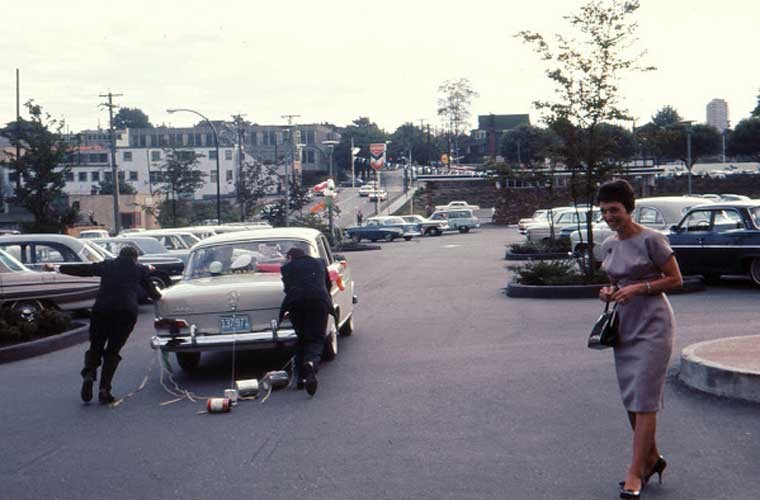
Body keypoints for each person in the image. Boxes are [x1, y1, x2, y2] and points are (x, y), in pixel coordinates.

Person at [597, 179, 683, 499]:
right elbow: (613, 282)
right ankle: (652, 459)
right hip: (625, 327)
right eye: (604, 210)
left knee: (644, 400)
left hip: (654, 326)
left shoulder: (653, 240)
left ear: (629, 208)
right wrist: (608, 291)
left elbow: (676, 279)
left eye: (615, 210)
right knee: (632, 399)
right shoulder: (608, 245)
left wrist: (638, 288)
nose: (609, 216)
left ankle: (635, 472)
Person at [53, 246, 162, 404]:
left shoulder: (108, 265)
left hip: (102, 311)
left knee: (96, 345)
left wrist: (59, 268)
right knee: (113, 350)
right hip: (126, 313)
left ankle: (89, 374)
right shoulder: (140, 270)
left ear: (119, 256)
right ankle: (105, 389)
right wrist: (159, 295)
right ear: (135, 257)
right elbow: (152, 293)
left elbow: (84, 269)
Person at [277, 247, 333, 396]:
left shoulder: (286, 268)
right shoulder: (319, 263)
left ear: (290, 257)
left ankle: (301, 378)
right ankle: (310, 363)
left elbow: (288, 289)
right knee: (316, 339)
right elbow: (327, 285)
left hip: (297, 304)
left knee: (302, 337)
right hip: (319, 302)